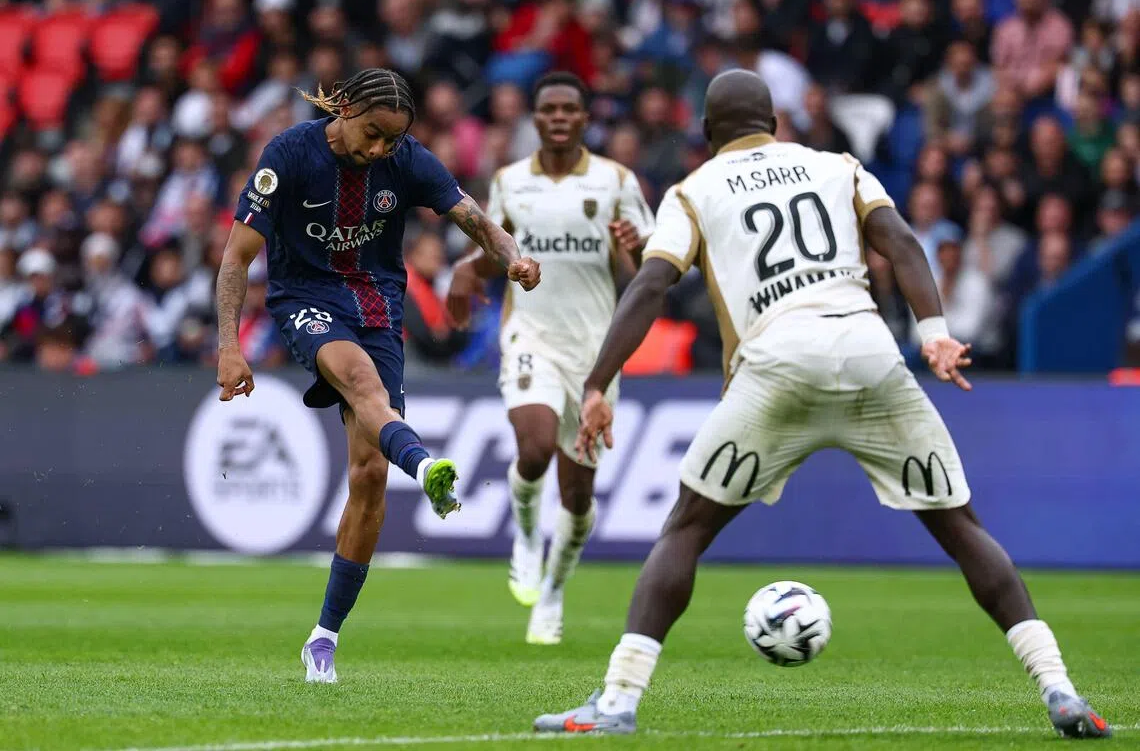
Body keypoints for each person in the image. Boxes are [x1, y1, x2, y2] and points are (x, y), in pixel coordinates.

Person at [532, 70, 1111, 739]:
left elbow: (652, 286)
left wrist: (599, 381)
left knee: (687, 530)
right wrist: (935, 335)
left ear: (707, 133)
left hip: (779, 363)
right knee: (963, 530)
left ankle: (619, 701)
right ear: (775, 123)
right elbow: (900, 242)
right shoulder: (837, 165)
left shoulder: (693, 190)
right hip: (869, 354)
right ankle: (1061, 691)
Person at [215, 68, 540, 684]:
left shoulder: (406, 159)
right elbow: (236, 256)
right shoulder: (288, 154)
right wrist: (229, 345)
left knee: (367, 476)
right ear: (342, 109)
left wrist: (512, 256)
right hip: (305, 299)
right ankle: (426, 466)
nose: (378, 150)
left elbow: (473, 218)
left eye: (390, 140)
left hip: (378, 306)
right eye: (371, 134)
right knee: (359, 381)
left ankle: (322, 638)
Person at [446, 72, 654, 644]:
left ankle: (554, 591)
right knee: (533, 449)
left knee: (579, 497)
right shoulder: (511, 181)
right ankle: (524, 538)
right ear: (535, 120)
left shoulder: (616, 181)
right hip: (530, 337)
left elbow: (646, 278)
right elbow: (496, 250)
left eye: (570, 108)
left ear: (585, 118)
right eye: (549, 109)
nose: (559, 117)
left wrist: (631, 248)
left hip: (595, 354)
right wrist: (466, 270)